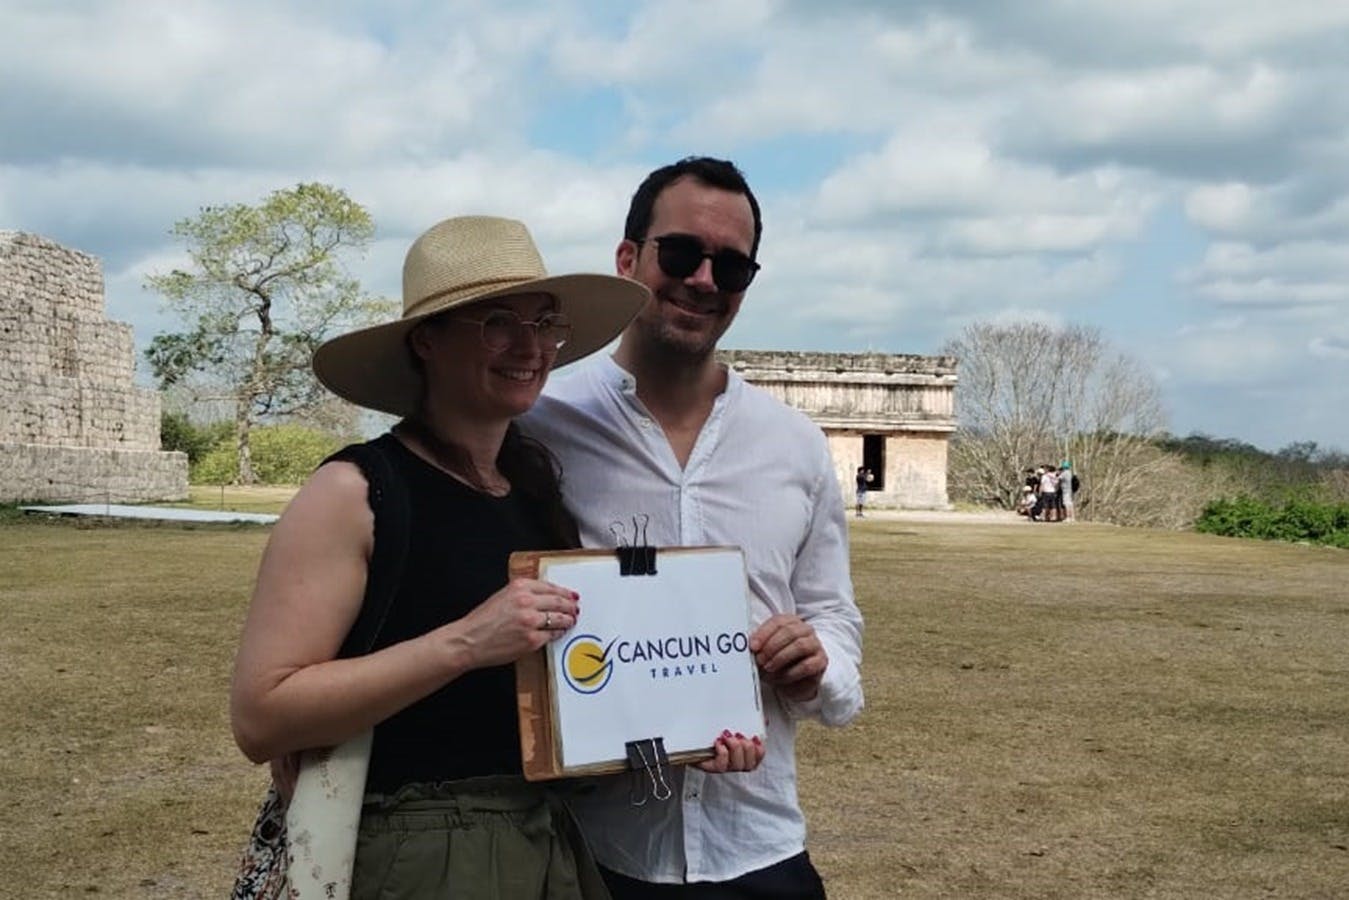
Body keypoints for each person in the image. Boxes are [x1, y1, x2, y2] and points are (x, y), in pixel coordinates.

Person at [230, 215, 756, 899]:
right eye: (497, 322)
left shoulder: (534, 490)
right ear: (426, 341)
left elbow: (561, 699)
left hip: (547, 842)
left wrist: (681, 734)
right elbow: (262, 715)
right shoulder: (356, 491)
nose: (529, 346)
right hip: (419, 853)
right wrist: (465, 642)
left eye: (543, 324)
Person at [522, 156, 865, 899]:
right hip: (593, 855)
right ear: (626, 259)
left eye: (732, 267)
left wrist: (817, 664)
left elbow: (833, 614)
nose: (705, 280)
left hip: (759, 846)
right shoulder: (541, 425)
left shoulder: (793, 443)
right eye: (680, 253)